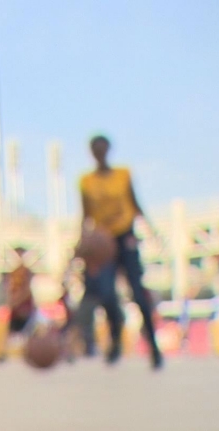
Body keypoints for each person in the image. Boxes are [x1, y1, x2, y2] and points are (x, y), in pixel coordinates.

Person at [80, 135, 162, 369]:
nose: (100, 153)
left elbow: (135, 204)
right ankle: (115, 340)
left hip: (125, 236)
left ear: (108, 150)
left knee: (137, 292)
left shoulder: (123, 175)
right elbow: (85, 215)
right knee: (105, 292)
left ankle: (154, 347)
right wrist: (82, 244)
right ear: (92, 153)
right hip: (103, 243)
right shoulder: (86, 182)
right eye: (96, 149)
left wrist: (150, 230)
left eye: (102, 148)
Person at [0, 246, 36, 362]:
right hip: (15, 306)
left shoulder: (27, 271)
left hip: (24, 305)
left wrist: (16, 300)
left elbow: (27, 289)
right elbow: (8, 288)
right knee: (11, 330)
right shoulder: (12, 272)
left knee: (27, 330)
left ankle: (28, 353)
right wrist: (10, 301)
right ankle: (4, 353)